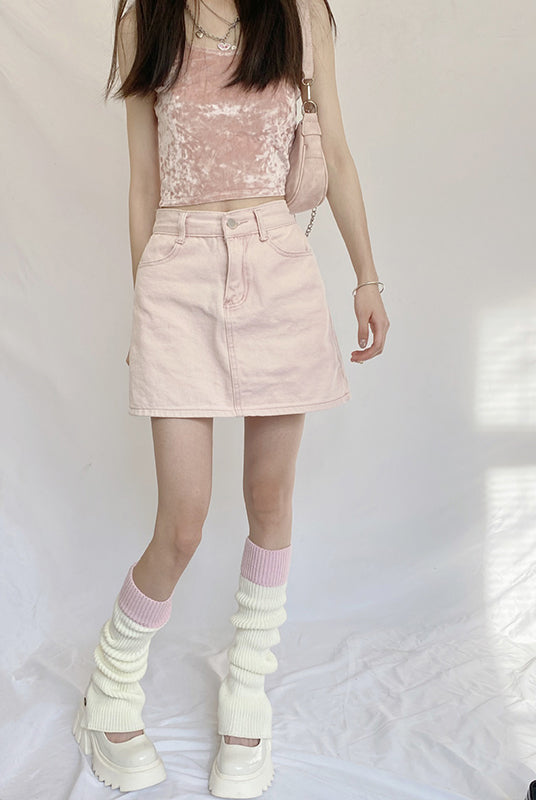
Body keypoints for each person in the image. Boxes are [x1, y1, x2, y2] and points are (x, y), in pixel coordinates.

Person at [72, 0, 390, 796]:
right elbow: (143, 183)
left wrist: (367, 278)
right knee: (182, 522)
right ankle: (110, 686)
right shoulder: (145, 18)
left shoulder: (300, 13)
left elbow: (336, 152)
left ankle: (247, 690)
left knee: (269, 499)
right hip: (177, 271)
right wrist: (146, 307)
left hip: (276, 263)